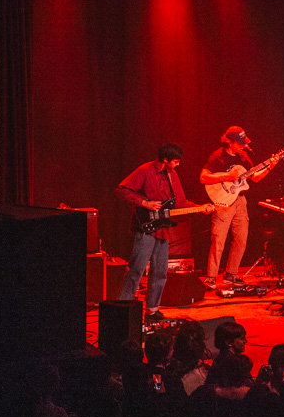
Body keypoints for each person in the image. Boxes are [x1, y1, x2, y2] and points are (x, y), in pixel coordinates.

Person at [117, 143, 212, 322]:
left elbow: (180, 202)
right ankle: (122, 310)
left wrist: (201, 208)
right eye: (175, 161)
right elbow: (121, 190)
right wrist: (144, 203)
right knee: (136, 270)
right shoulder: (144, 170)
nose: (178, 165)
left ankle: (152, 310)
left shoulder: (171, 174)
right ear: (165, 160)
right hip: (144, 228)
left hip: (162, 229)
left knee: (160, 271)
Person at [200, 126, 273, 289]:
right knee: (218, 239)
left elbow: (255, 178)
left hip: (240, 201)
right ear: (230, 142)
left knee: (241, 238)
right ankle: (211, 276)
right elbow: (203, 178)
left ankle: (231, 273)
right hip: (223, 201)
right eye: (239, 143)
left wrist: (270, 166)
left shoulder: (243, 156)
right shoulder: (217, 156)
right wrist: (227, 176)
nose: (243, 146)